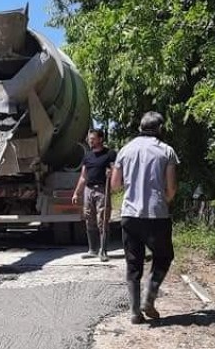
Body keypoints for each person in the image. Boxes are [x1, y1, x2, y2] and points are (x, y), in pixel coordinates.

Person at [111, 111, 179, 324]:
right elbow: (172, 188)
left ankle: (134, 312)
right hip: (156, 214)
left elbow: (115, 185)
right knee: (164, 256)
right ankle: (149, 299)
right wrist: (164, 201)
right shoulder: (166, 151)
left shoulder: (125, 150)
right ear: (159, 128)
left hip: (130, 215)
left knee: (133, 264)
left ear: (140, 127)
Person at [72, 129, 116, 262]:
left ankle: (103, 251)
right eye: (89, 139)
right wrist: (76, 193)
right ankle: (92, 250)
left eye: (93, 138)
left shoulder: (110, 154)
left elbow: (116, 170)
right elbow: (83, 177)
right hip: (88, 190)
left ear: (100, 139)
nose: (90, 141)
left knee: (102, 220)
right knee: (89, 218)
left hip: (102, 189)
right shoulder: (88, 156)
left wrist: (111, 173)